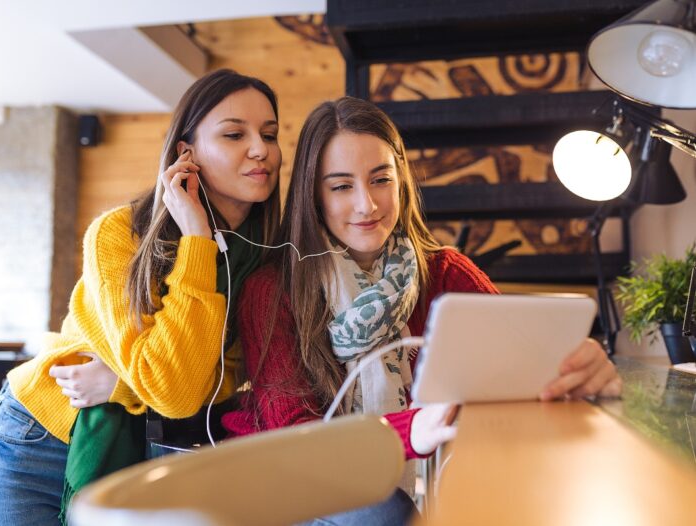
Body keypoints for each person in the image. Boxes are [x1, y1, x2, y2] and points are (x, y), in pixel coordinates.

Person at [222, 96, 623, 524]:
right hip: (299, 482)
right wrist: (407, 432)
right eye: (341, 186)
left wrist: (577, 373)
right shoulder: (273, 288)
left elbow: (521, 371)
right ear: (313, 195)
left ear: (401, 181)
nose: (367, 205)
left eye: (380, 180)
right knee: (380, 512)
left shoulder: (445, 273)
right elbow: (294, 437)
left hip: (426, 478)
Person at [0, 68, 282, 525]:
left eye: (270, 134)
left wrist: (121, 386)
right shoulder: (118, 235)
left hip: (154, 439)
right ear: (187, 153)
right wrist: (197, 240)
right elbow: (169, 384)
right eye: (234, 134)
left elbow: (212, 381)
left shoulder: (269, 258)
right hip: (42, 430)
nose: (260, 149)